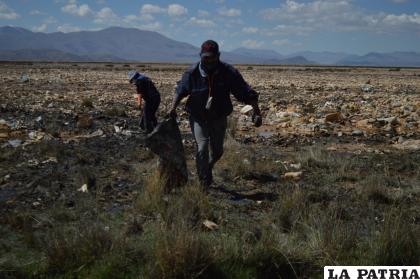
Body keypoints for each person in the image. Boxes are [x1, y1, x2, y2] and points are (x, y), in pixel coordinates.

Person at [168, 40, 262, 188]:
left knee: (217, 151)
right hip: (197, 116)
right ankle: (203, 182)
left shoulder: (228, 72)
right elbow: (181, 91)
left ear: (218, 55)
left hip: (218, 116)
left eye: (212, 57)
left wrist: (256, 111)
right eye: (206, 57)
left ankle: (208, 167)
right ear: (200, 56)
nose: (209, 60)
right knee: (202, 147)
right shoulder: (192, 73)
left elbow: (244, 91)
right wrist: (172, 108)